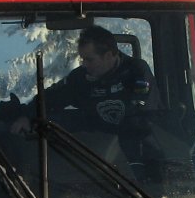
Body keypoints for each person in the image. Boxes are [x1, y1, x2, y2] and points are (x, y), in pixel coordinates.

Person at [10, 26, 157, 148]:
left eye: (89, 59)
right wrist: (28, 116)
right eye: (82, 59)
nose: (84, 65)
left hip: (138, 154)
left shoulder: (136, 72)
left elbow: (143, 116)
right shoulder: (81, 78)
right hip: (92, 157)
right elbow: (50, 98)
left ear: (109, 55)